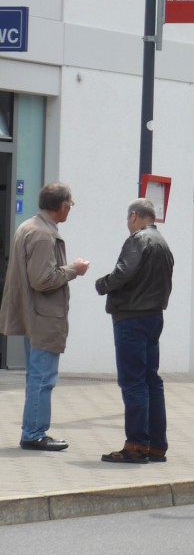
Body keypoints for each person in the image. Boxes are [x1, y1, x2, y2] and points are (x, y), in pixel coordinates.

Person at [0, 182, 89, 452]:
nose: (71, 209)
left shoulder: (28, 227)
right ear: (61, 206)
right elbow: (42, 279)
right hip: (43, 316)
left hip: (33, 314)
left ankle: (33, 430)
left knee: (36, 377)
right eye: (70, 204)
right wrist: (73, 269)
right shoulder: (42, 235)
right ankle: (34, 433)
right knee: (42, 378)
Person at [94, 198, 174, 464]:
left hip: (131, 319)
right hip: (153, 317)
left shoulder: (137, 240)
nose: (128, 224)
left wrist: (102, 284)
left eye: (129, 219)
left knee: (133, 381)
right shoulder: (163, 244)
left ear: (135, 216)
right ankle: (156, 445)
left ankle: (136, 445)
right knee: (152, 381)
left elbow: (123, 272)